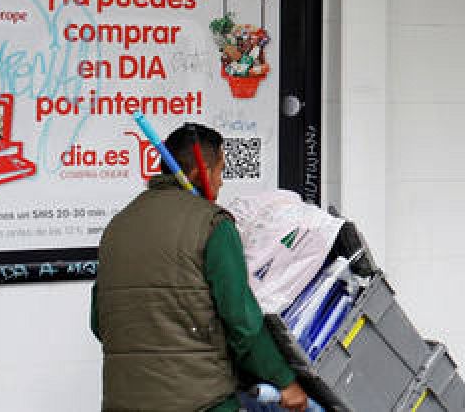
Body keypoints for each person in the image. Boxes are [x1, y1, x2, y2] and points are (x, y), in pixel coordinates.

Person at [92, 123, 309, 412]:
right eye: (220, 171)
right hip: (200, 402)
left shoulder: (117, 227)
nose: (220, 183)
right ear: (200, 172)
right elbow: (241, 320)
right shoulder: (212, 224)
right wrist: (284, 381)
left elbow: (99, 321)